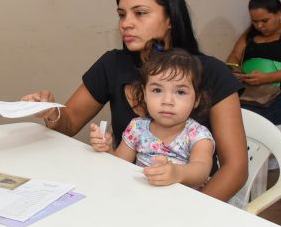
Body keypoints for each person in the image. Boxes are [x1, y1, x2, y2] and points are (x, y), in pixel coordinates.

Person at [23, 0, 247, 201]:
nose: (126, 24)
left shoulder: (211, 73)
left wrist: (191, 215)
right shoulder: (113, 65)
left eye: (140, 13)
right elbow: (68, 124)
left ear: (170, 18)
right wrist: (52, 113)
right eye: (122, 15)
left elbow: (236, 169)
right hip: (130, 195)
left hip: (196, 200)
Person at [89, 48, 214, 187]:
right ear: (145, 94)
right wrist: (107, 149)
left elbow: (201, 170)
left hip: (180, 204)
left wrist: (176, 173)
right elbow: (119, 163)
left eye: (180, 92)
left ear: (196, 99)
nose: (167, 100)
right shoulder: (137, 128)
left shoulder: (198, 135)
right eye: (157, 90)